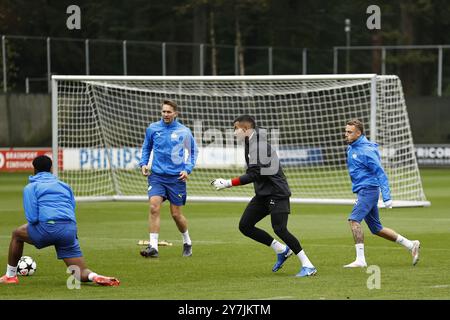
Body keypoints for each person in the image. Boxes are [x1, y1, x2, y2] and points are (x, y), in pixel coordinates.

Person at [211, 115, 317, 277]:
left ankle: (308, 265)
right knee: (245, 226)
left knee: (280, 229)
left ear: (245, 129)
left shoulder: (259, 146)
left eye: (235, 129)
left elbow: (254, 174)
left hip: (276, 192)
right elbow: (256, 173)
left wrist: (228, 182)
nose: (234, 133)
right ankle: (281, 250)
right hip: (263, 194)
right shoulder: (250, 143)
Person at [0, 155, 120, 285]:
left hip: (47, 228)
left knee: (17, 234)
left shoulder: (31, 187)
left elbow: (32, 218)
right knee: (80, 272)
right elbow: (71, 208)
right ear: (51, 168)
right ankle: (94, 276)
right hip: (69, 229)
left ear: (34, 169)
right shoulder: (64, 185)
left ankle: (10, 276)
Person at [343, 119, 421, 268]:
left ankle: (360, 260)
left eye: (349, 132)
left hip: (368, 190)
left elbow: (380, 173)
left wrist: (387, 197)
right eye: (346, 131)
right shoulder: (352, 147)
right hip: (363, 191)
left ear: (358, 133)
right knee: (376, 229)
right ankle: (411, 245)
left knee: (354, 220)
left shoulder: (366, 151)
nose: (345, 134)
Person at [139, 99, 198, 258]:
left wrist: (187, 169)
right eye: (163, 111)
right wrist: (143, 163)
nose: (165, 114)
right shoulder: (153, 128)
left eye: (168, 112)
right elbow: (146, 147)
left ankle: (187, 241)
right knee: (153, 207)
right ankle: (153, 247)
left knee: (176, 215)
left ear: (175, 114)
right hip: (157, 176)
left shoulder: (184, 131)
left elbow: (193, 152)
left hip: (176, 178)